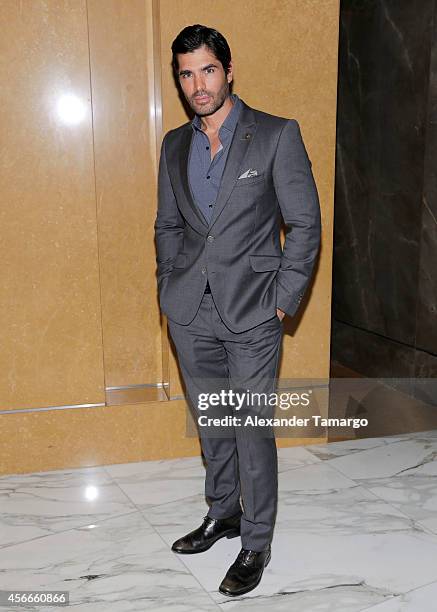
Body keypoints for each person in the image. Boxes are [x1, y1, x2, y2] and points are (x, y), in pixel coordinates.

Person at [154, 24, 321, 597]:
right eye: (186, 73)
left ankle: (255, 541)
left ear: (228, 72)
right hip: (189, 311)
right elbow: (168, 225)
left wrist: (283, 302)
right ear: (178, 80)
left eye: (207, 70)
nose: (198, 84)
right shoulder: (174, 144)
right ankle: (222, 514)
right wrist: (166, 286)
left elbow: (305, 224)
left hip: (254, 311)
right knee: (213, 423)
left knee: (250, 429)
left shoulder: (276, 135)